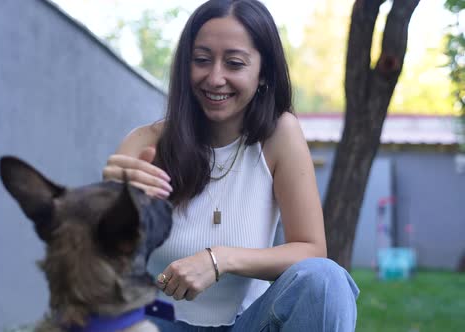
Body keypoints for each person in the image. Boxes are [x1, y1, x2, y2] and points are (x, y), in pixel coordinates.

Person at [102, 0, 359, 331]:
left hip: (247, 324)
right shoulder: (145, 144)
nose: (215, 77)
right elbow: (100, 264)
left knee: (325, 279)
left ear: (263, 73)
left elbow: (311, 250)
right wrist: (107, 205)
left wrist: (219, 259)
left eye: (234, 63)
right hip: (155, 323)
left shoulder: (280, 135)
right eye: (202, 60)